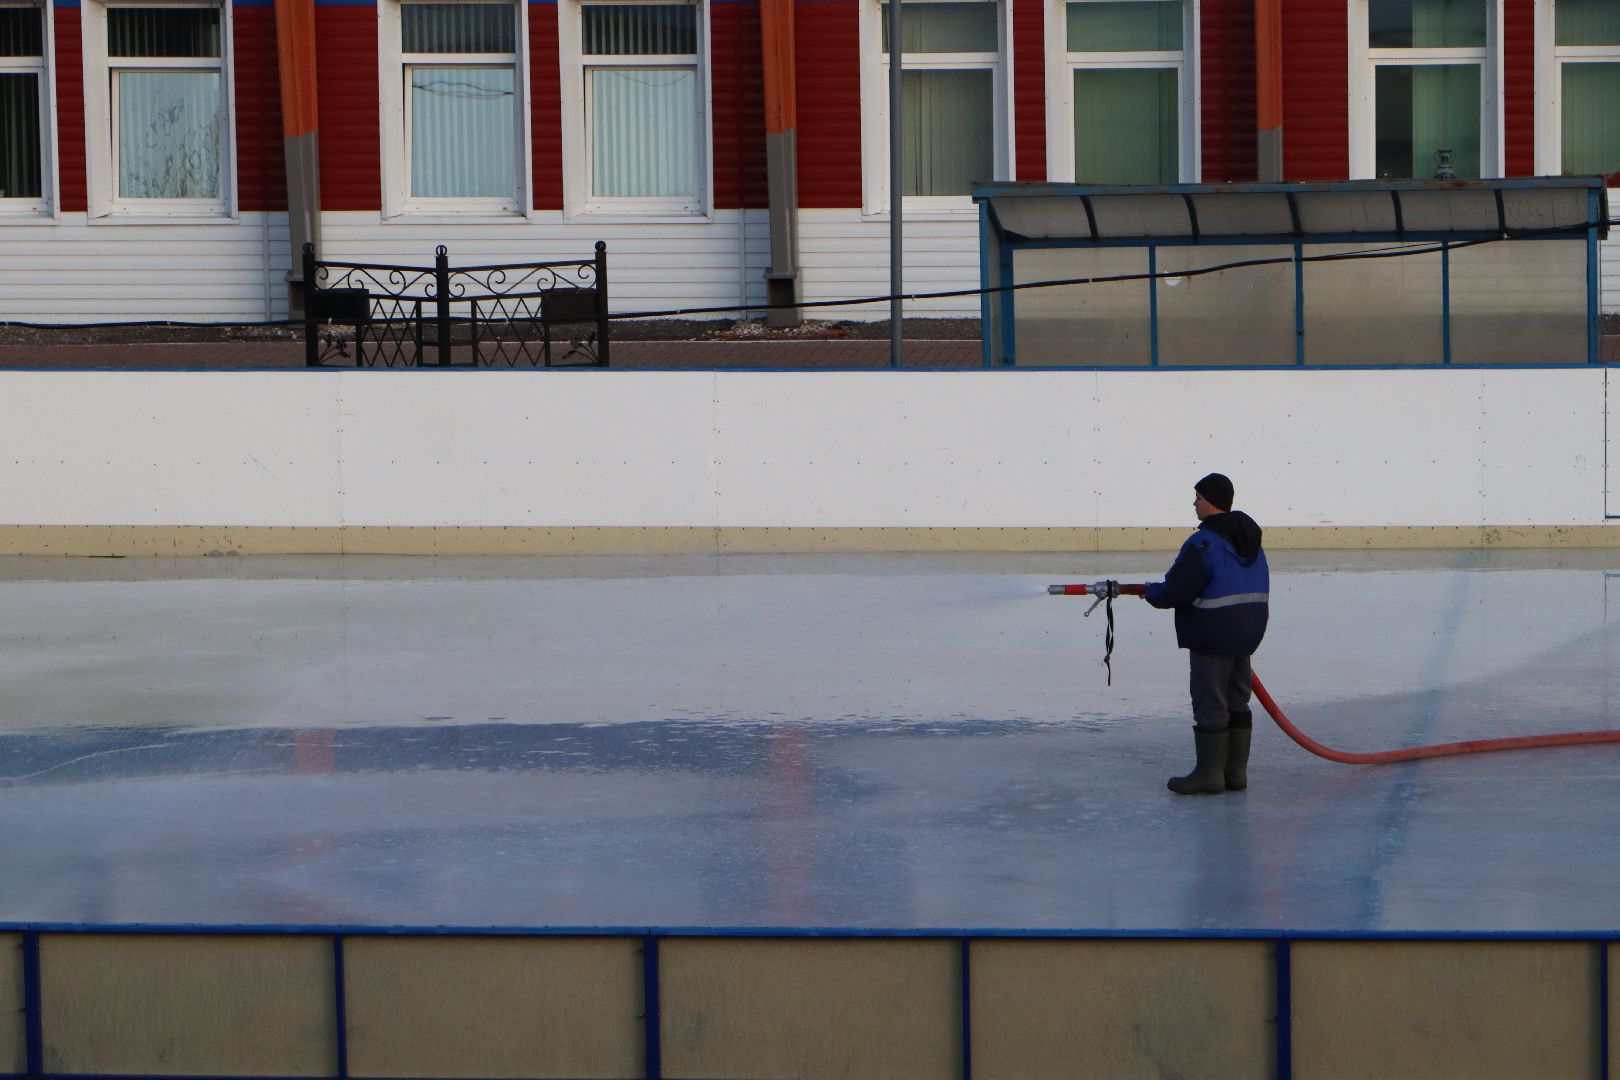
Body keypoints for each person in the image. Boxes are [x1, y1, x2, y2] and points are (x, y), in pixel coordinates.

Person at [1139, 473, 1269, 795]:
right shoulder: (1251, 541)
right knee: (1238, 699)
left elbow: (1175, 591)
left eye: (1197, 497)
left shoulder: (1203, 543)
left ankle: (1210, 775)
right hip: (1247, 633)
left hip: (1213, 634)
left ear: (1210, 500)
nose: (1194, 503)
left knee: (1211, 701)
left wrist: (1152, 593)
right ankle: (1235, 774)